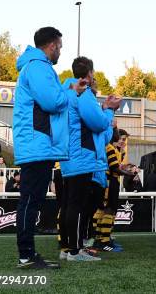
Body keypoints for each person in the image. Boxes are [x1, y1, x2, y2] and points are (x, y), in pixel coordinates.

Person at [13, 27, 85, 269]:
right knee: (30, 201)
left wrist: (67, 91)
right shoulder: (38, 67)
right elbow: (52, 102)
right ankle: (26, 256)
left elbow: (50, 98)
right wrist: (70, 93)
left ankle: (28, 254)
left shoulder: (35, 67)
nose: (60, 52)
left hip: (37, 143)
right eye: (60, 47)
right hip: (37, 144)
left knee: (31, 201)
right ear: (52, 45)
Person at [60, 56, 120, 262]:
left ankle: (68, 248)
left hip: (70, 157)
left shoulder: (67, 92)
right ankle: (76, 251)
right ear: (90, 73)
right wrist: (109, 111)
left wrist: (103, 110)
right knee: (78, 206)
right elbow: (98, 124)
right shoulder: (84, 94)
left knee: (71, 204)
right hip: (82, 157)